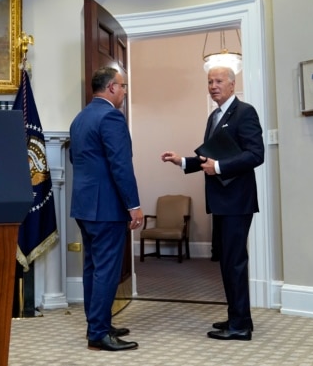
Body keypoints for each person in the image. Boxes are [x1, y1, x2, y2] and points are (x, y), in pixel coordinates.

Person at [160, 65, 264, 342]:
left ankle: (240, 325)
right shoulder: (214, 116)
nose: (213, 85)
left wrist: (218, 167)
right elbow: (209, 157)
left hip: (237, 201)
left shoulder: (245, 112)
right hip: (221, 201)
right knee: (227, 261)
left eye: (218, 81)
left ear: (232, 84)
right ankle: (236, 317)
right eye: (209, 81)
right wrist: (182, 161)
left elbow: (256, 154)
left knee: (235, 262)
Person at [69, 66, 144, 351]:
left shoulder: (80, 118)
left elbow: (80, 163)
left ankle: (97, 323)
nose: (124, 92)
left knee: (92, 268)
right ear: (112, 87)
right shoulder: (111, 116)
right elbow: (121, 165)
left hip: (85, 206)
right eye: (123, 87)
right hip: (107, 207)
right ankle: (99, 333)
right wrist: (133, 206)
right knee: (107, 271)